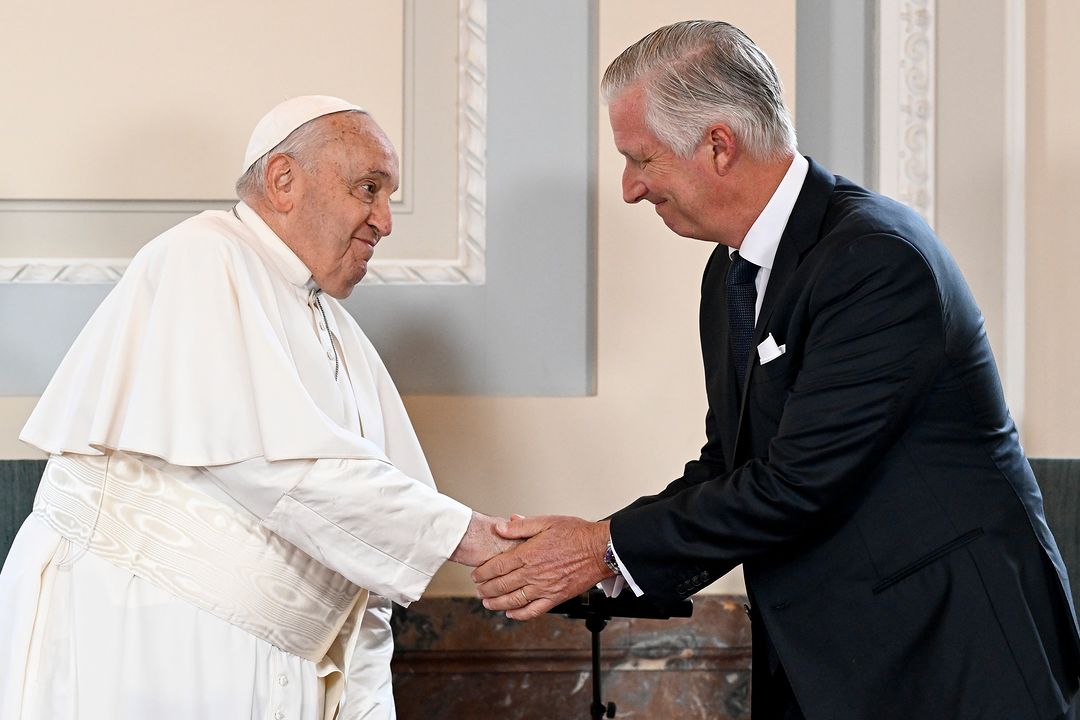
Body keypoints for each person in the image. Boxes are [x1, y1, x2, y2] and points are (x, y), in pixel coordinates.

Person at [473, 20, 1080, 719]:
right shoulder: (728, 272)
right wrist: (601, 554)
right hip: (832, 656)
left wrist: (602, 545)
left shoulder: (876, 260)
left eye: (641, 159)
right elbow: (732, 466)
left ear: (718, 146)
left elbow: (796, 483)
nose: (630, 189)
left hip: (950, 659)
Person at [0, 95, 513, 720]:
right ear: (284, 181)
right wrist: (477, 538)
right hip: (147, 639)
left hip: (273, 663)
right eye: (368, 188)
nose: (385, 220)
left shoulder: (336, 329)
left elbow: (365, 577)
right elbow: (286, 471)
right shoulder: (203, 255)